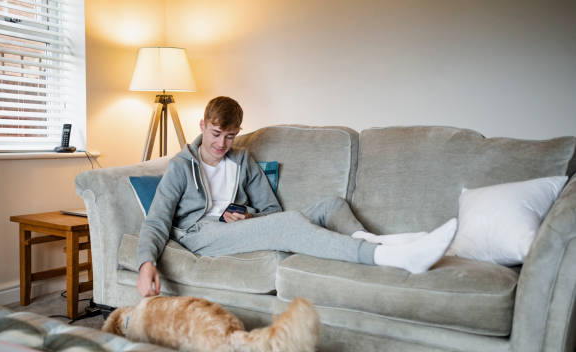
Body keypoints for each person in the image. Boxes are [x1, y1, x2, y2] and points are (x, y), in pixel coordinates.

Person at [136, 96, 457, 297]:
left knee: (332, 205)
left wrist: (247, 215)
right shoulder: (181, 166)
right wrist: (146, 263)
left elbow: (270, 209)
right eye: (216, 134)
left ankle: (376, 240)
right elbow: (157, 220)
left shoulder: (242, 160)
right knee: (289, 224)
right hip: (201, 234)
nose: (222, 144)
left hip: (234, 227)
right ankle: (392, 257)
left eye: (230, 136)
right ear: (203, 125)